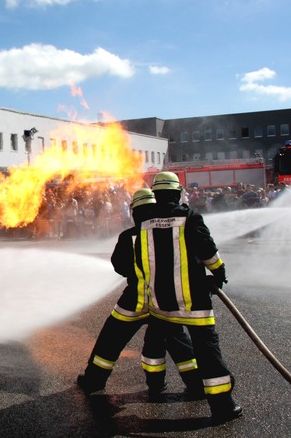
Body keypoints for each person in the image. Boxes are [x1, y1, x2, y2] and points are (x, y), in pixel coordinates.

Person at [121, 172, 243, 423]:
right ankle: (222, 406)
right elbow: (208, 251)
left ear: (155, 194)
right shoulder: (189, 217)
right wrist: (218, 272)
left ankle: (159, 385)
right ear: (177, 193)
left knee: (160, 342)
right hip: (194, 301)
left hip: (160, 303)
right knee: (208, 352)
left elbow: (140, 260)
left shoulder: (144, 221)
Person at [77, 188, 203, 400]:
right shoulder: (169, 233)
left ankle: (94, 380)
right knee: (178, 343)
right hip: (165, 301)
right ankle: (195, 384)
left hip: (133, 302)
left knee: (110, 340)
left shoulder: (128, 236)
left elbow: (119, 266)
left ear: (135, 211)